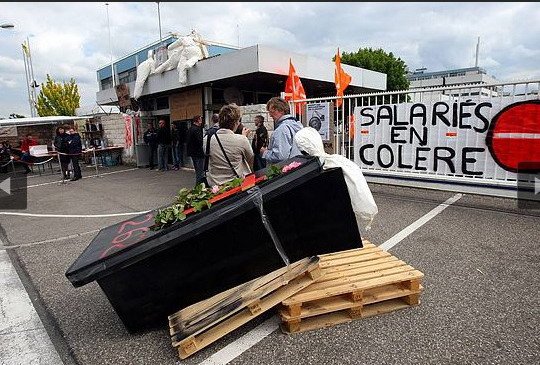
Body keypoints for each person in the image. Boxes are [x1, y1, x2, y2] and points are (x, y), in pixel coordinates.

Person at [204, 104, 253, 187]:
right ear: (236, 122)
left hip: (215, 187)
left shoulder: (206, 139)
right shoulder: (242, 140)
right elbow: (250, 159)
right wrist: (243, 138)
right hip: (236, 185)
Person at [260, 97, 303, 164]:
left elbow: (281, 157)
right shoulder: (297, 125)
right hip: (298, 168)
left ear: (281, 110)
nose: (270, 115)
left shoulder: (282, 129)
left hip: (285, 171)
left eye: (272, 111)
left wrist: (265, 153)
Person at [186, 115, 206, 186]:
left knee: (197, 170)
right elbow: (200, 141)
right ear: (198, 120)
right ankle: (198, 187)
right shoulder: (197, 129)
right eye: (200, 119)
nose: (202, 120)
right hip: (198, 153)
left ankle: (199, 185)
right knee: (200, 172)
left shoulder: (190, 129)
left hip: (192, 153)